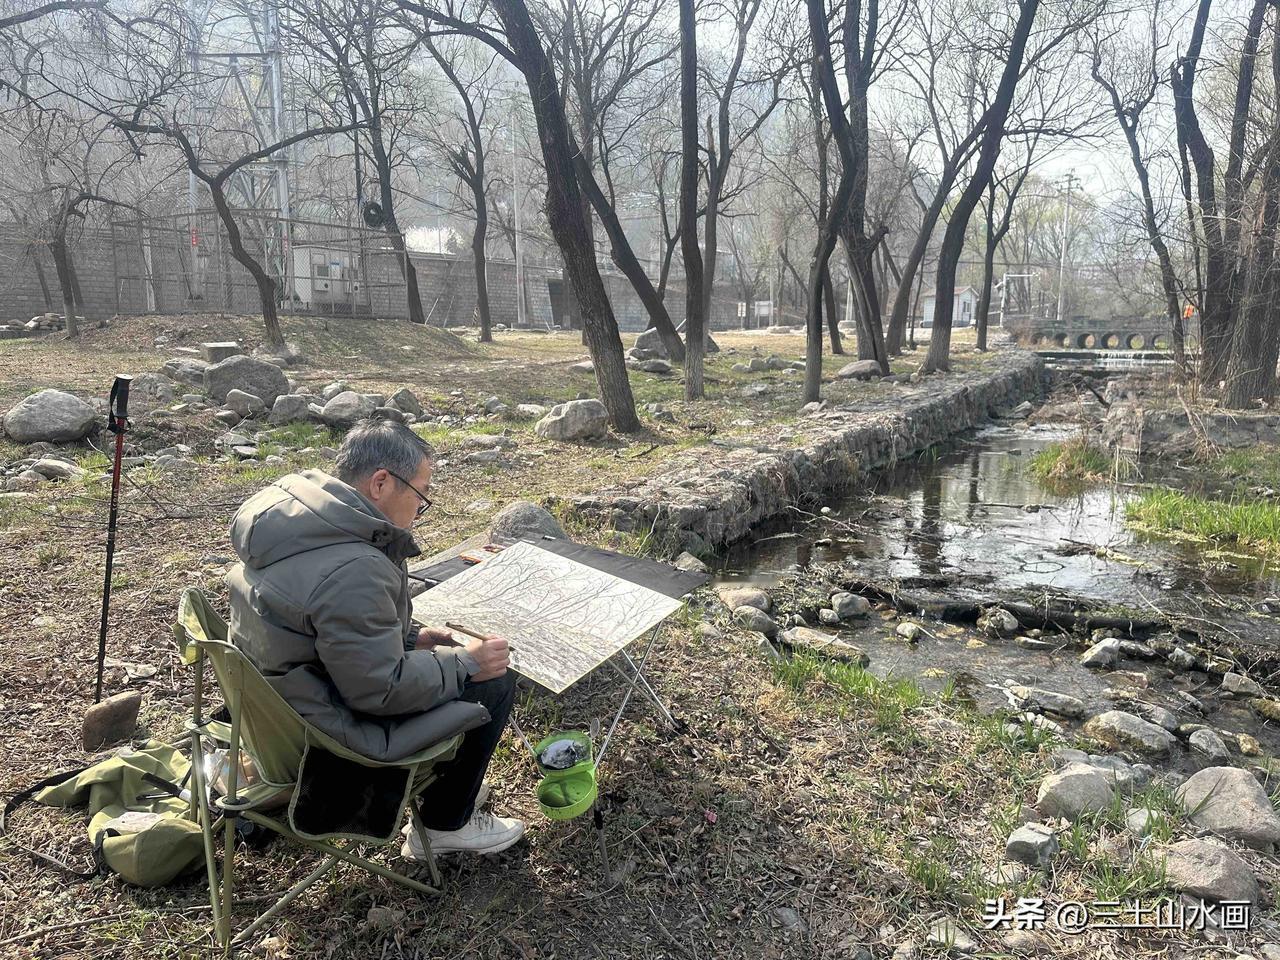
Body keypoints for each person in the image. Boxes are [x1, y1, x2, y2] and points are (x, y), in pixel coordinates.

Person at [225, 417, 525, 857]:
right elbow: (380, 691)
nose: (418, 514)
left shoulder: (292, 521)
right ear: (382, 482)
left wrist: (410, 640)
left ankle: (448, 794)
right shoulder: (354, 567)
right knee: (494, 680)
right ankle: (446, 824)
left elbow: (329, 629)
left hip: (281, 714)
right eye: (420, 497)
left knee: (459, 662)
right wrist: (467, 662)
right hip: (329, 735)